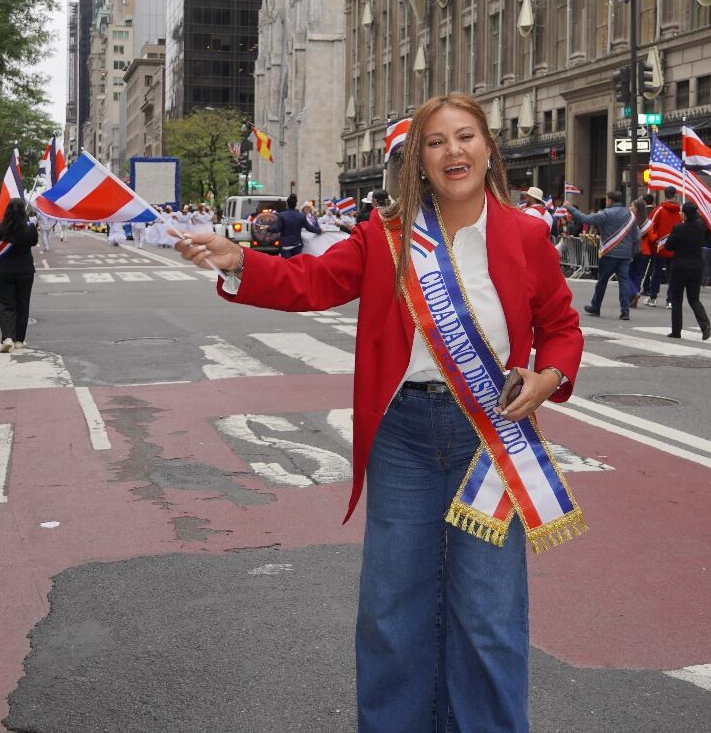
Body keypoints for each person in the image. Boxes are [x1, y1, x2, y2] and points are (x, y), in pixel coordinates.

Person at [174, 92, 583, 732]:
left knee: (489, 614)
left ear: (489, 149)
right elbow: (311, 284)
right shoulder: (385, 238)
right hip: (403, 439)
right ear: (419, 159)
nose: (454, 151)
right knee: (393, 611)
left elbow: (561, 326)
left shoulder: (526, 234)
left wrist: (549, 373)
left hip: (489, 435)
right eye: (437, 140)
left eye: (466, 136)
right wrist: (238, 262)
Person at [571, 190, 639, 320]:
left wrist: (569, 208)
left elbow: (585, 219)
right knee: (624, 282)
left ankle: (596, 306)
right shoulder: (630, 215)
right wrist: (631, 253)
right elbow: (636, 237)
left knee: (602, 281)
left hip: (609, 253)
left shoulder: (606, 213)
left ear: (610, 200)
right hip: (625, 255)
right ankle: (625, 311)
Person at [0, 200, 38, 352]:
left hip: (4, 271)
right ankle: (20, 340)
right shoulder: (29, 228)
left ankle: (7, 337)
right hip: (25, 271)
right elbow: (34, 242)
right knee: (23, 305)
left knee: (6, 304)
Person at [663, 202, 711, 340]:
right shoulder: (700, 227)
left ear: (685, 214)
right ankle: (705, 325)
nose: (680, 214)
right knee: (694, 299)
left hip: (680, 266)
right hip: (696, 266)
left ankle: (676, 330)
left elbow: (668, 246)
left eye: (681, 212)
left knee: (677, 299)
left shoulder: (678, 228)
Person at [637, 187, 682, 307]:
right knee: (673, 274)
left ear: (664, 195)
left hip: (660, 247)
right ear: (675, 195)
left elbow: (650, 227)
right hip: (675, 247)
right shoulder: (681, 212)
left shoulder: (659, 210)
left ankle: (653, 297)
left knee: (656, 272)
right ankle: (670, 300)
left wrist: (655, 241)